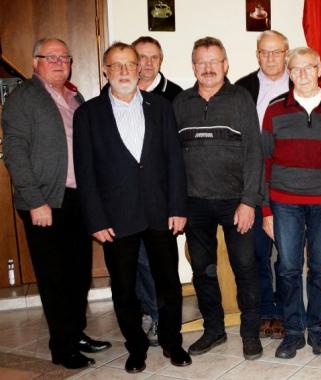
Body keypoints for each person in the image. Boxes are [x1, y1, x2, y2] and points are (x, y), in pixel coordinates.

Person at [73, 42, 191, 373]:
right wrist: (95, 218)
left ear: (139, 68)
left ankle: (172, 342)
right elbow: (85, 172)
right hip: (115, 218)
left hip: (160, 212)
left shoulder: (161, 107)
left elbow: (174, 163)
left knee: (168, 282)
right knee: (124, 289)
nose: (124, 71)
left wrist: (178, 207)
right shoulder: (89, 114)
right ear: (105, 71)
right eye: (117, 65)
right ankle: (136, 347)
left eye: (130, 65)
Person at [1, 37, 111, 370]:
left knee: (79, 275)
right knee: (55, 278)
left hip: (77, 199)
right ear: (35, 62)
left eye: (65, 57)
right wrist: (35, 200)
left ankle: (76, 332)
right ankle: (61, 347)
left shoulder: (74, 96)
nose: (60, 62)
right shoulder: (24, 98)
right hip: (46, 201)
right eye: (51, 57)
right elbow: (15, 152)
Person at [173, 37, 264, 361]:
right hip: (194, 204)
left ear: (225, 64)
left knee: (245, 267)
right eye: (201, 62)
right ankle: (214, 330)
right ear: (193, 66)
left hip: (234, 201)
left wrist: (249, 201)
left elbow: (254, 153)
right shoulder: (180, 103)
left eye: (214, 61)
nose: (208, 68)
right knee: (203, 270)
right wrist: (176, 204)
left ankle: (250, 333)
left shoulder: (240, 99)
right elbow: (171, 158)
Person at [262, 47, 321, 359]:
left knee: (319, 266)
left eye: (308, 67)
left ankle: (317, 330)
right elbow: (264, 162)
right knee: (288, 268)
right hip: (284, 202)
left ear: (320, 67)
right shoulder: (275, 110)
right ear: (289, 73)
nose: (302, 74)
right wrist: (265, 211)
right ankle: (292, 332)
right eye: (296, 69)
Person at [235, 30, 291, 340]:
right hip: (253, 183)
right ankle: (265, 311)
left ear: (286, 53)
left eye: (276, 52)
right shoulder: (242, 88)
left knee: (286, 254)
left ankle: (283, 312)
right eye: (264, 52)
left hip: (287, 183)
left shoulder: (300, 84)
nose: (270, 58)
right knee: (257, 253)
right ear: (257, 54)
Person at [131, 34, 185, 347]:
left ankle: (161, 318)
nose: (147, 64)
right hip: (127, 199)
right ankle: (148, 311)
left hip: (163, 198)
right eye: (141, 57)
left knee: (159, 263)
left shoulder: (175, 96)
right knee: (136, 261)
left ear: (160, 60)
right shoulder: (115, 94)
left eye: (153, 57)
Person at [133, 36, 183, 101]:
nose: (149, 63)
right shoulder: (122, 90)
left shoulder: (177, 94)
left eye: (154, 57)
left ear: (160, 61)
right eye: (143, 57)